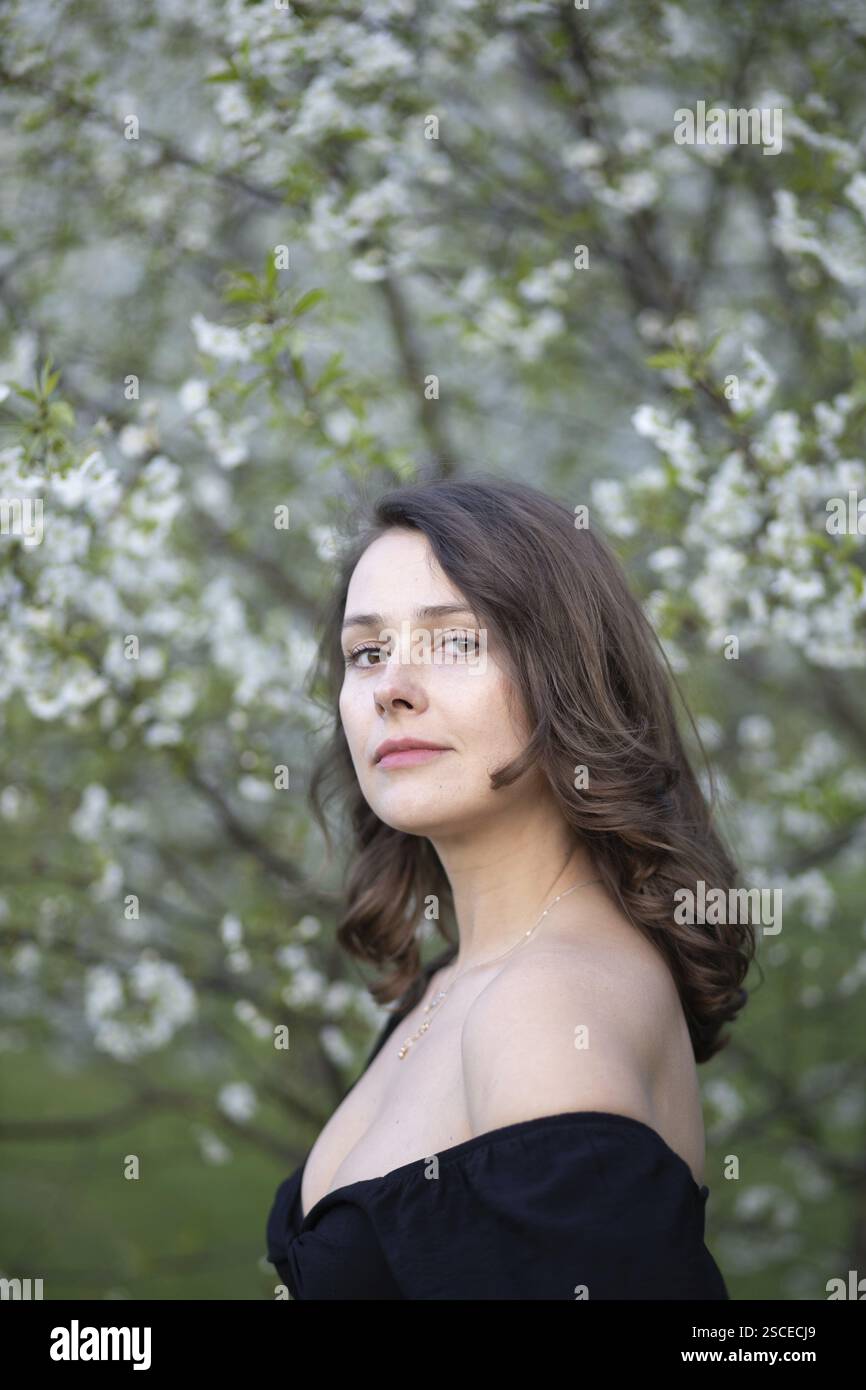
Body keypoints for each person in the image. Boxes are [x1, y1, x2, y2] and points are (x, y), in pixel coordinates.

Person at [265, 475, 753, 1299]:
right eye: (366, 653)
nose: (392, 687)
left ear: (568, 672)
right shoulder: (449, 987)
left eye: (456, 641)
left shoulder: (547, 1004)